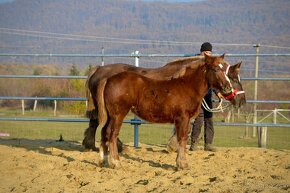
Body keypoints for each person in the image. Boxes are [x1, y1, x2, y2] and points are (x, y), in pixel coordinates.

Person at [189, 42, 217, 152]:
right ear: (201, 52)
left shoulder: (211, 65)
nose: (208, 55)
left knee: (209, 118)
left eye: (210, 53)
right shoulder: (194, 63)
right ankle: (194, 143)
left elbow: (213, 80)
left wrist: (217, 92)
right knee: (199, 119)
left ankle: (208, 143)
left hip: (208, 95)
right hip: (197, 96)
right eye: (206, 52)